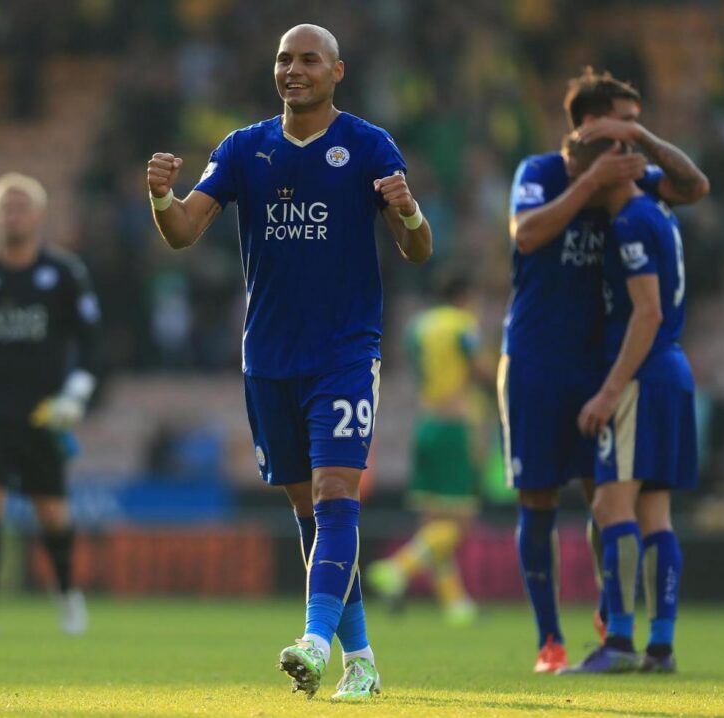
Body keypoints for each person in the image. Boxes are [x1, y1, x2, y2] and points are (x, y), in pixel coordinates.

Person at [146, 24, 432, 700]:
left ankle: (312, 640)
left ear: (338, 71)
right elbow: (185, 231)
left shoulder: (368, 146)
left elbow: (416, 250)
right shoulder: (245, 148)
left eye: (308, 59)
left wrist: (410, 211)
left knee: (337, 498)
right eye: (283, 59)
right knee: (311, 514)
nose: (293, 69)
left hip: (343, 352)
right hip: (269, 357)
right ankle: (359, 660)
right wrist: (160, 196)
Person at [499, 68, 708, 673]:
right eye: (623, 120)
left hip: (605, 366)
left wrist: (644, 142)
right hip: (537, 361)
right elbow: (528, 234)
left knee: (607, 498)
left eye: (636, 125)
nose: (633, 135)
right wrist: (591, 177)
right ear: (592, 125)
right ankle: (551, 640)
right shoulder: (541, 174)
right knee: (537, 498)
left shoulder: (634, 181)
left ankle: (613, 620)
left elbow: (694, 186)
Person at [0, 172, 100, 639]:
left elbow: (90, 343)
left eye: (22, 205)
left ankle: (67, 595)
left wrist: (77, 393)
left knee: (52, 512)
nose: (14, 214)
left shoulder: (65, 274)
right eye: (6, 206)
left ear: (40, 214)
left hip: (43, 410)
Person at [559, 135, 697, 673]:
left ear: (614, 169)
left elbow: (647, 312)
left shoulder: (631, 222)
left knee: (609, 508)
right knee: (654, 514)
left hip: (640, 374)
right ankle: (660, 646)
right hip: (672, 373)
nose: (577, 182)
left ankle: (618, 642)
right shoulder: (659, 210)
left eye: (583, 172)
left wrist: (609, 390)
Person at [367, 272, 489, 625]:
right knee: (459, 524)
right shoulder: (462, 324)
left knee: (433, 525)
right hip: (455, 424)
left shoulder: (417, 327)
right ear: (465, 295)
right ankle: (398, 567)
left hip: (426, 424)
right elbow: (480, 369)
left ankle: (456, 605)